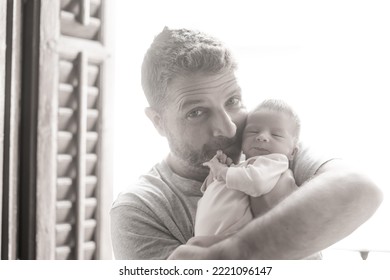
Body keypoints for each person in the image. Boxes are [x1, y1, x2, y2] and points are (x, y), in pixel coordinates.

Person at [110, 27, 383, 260]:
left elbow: (362, 189)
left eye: (233, 101)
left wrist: (233, 252)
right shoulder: (140, 209)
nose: (229, 128)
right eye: (196, 112)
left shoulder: (270, 147)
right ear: (158, 122)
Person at [195, 99, 301, 237]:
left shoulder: (276, 161)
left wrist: (222, 172)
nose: (262, 137)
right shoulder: (243, 167)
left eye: (276, 135)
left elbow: (256, 182)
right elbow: (215, 193)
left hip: (232, 239)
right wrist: (215, 174)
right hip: (206, 239)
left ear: (292, 152)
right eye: (253, 131)